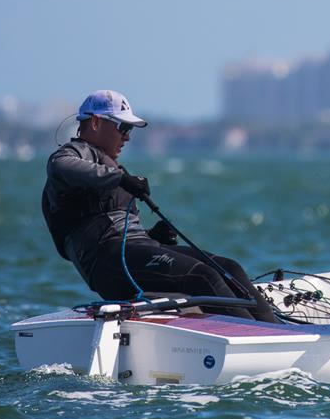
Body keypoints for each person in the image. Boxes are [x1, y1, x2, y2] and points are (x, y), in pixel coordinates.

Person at [42, 90, 277, 323]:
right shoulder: (70, 156)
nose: (127, 137)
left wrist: (152, 236)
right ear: (95, 122)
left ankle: (276, 332)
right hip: (105, 261)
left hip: (131, 249)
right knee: (201, 277)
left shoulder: (108, 164)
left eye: (130, 130)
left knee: (229, 268)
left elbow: (122, 228)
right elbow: (62, 166)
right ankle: (260, 339)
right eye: (123, 128)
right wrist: (120, 178)